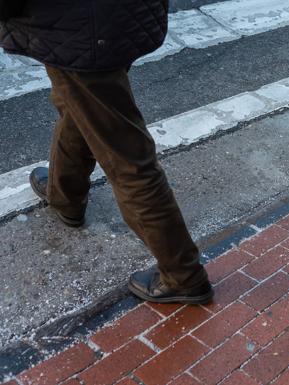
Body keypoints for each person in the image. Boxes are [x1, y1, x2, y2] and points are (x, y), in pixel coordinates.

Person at [0, 0, 214, 304]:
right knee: (82, 108)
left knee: (124, 152)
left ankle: (183, 275)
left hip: (76, 23)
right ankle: (65, 196)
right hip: (116, 17)